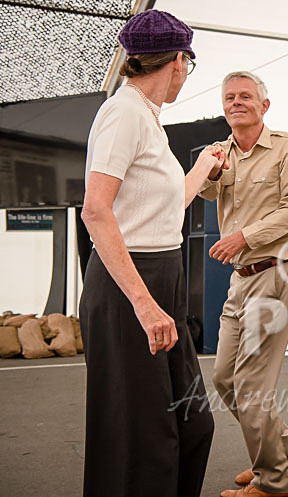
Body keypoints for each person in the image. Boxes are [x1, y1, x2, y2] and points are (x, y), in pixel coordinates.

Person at [79, 10, 215, 497]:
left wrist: (201, 167)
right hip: (127, 286)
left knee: (193, 424)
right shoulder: (123, 113)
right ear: (179, 61)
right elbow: (96, 212)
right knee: (143, 438)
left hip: (164, 274)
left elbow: (165, 208)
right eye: (188, 64)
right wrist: (142, 301)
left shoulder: (149, 119)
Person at [198, 71, 288, 497]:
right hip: (241, 278)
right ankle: (280, 450)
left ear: (265, 105)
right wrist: (212, 171)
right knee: (225, 378)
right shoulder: (220, 152)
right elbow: (210, 195)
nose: (236, 102)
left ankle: (272, 482)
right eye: (229, 97)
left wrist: (244, 236)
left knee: (250, 382)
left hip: (277, 271)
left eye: (246, 96)